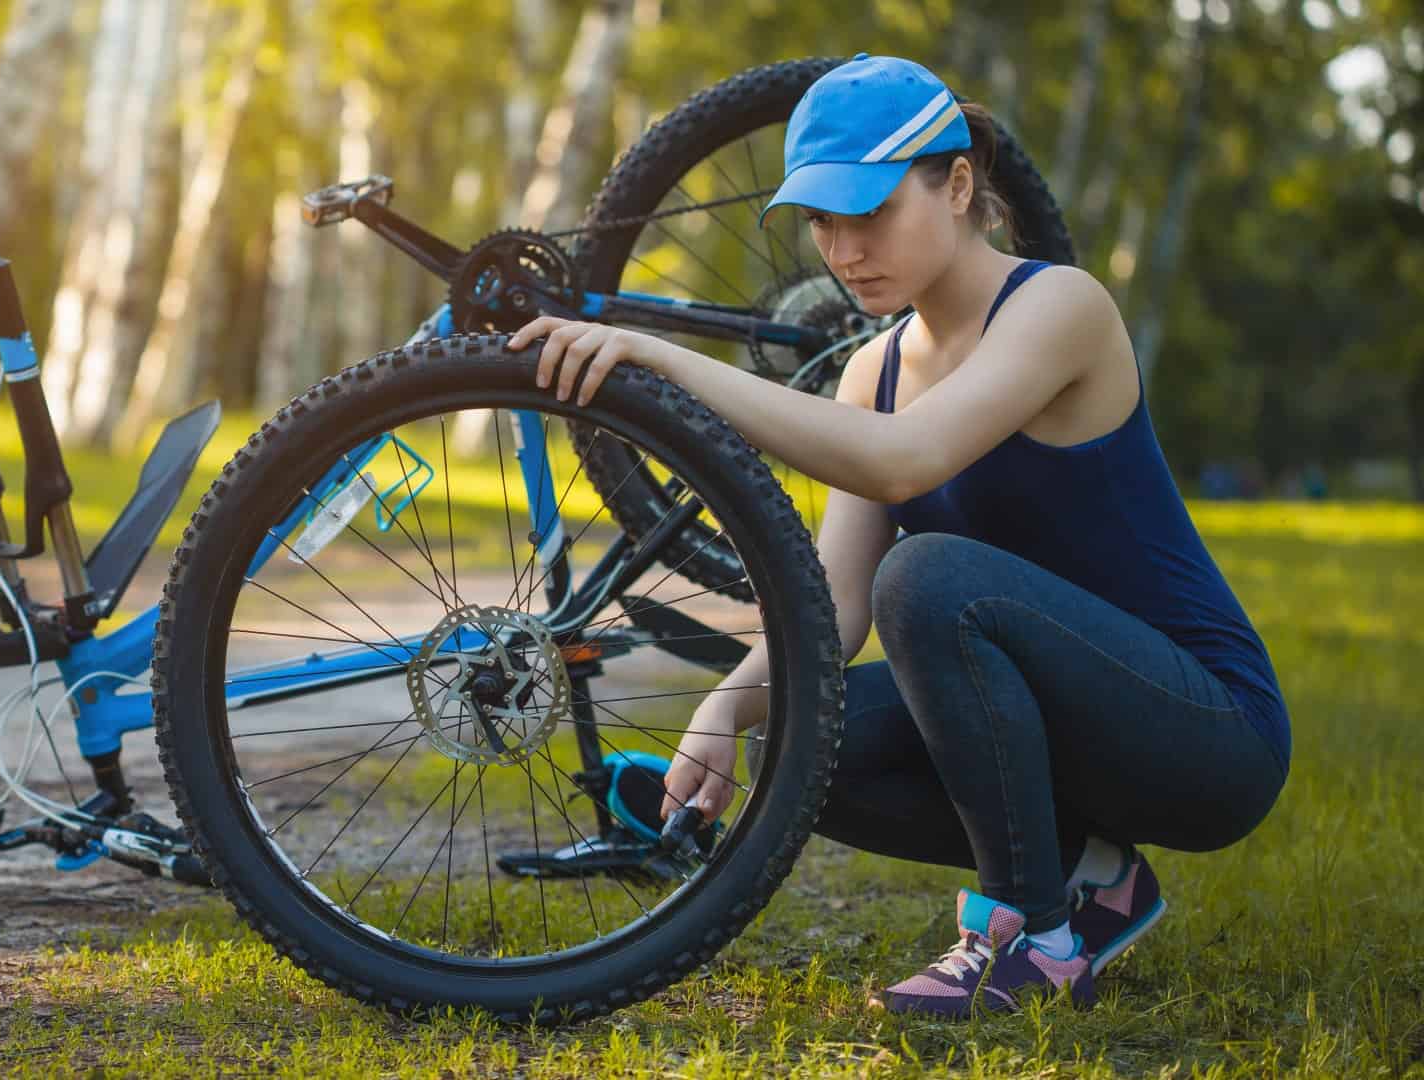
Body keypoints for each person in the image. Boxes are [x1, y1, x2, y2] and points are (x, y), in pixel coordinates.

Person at [505, 53, 1290, 1019]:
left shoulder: (1061, 307)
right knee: (805, 742)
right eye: (823, 222)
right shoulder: (869, 371)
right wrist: (725, 709)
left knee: (927, 578)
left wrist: (666, 362)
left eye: (869, 212)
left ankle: (1028, 936)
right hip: (1076, 736)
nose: (843, 248)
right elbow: (832, 615)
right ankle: (1096, 879)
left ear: (958, 185)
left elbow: (903, 460)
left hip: (1208, 733)